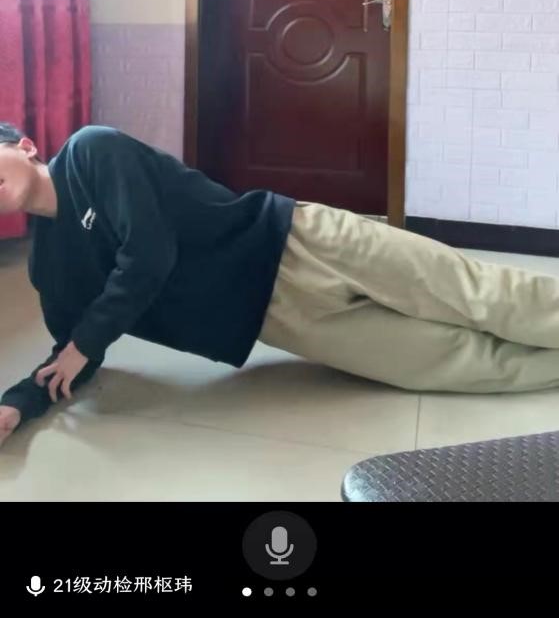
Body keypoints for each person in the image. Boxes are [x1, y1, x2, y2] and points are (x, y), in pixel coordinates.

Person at [2, 122, 559, 450]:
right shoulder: (49, 267)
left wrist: (84, 343)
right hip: (278, 320)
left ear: (24, 146)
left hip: (299, 240)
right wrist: (17, 405)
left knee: (479, 293)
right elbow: (72, 356)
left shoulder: (91, 151)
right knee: (452, 363)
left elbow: (149, 254)